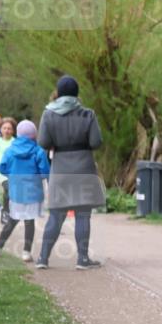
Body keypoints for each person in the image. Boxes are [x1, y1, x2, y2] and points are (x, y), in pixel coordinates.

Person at [35, 75, 106, 270]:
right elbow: (95, 142)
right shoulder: (88, 114)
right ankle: (83, 259)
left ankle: (42, 258)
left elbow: (43, 143)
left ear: (58, 92)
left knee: (56, 215)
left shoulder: (48, 114)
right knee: (83, 214)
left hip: (60, 169)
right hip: (84, 167)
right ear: (77, 93)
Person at [0, 120, 49, 261]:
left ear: (18, 133)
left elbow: (2, 167)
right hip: (33, 192)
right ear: (34, 135)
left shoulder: (10, 150)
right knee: (29, 221)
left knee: (12, 220)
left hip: (15, 191)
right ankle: (26, 253)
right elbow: (45, 173)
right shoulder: (38, 151)